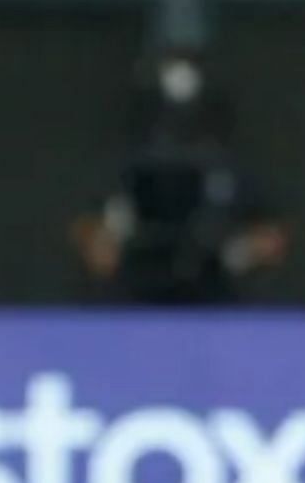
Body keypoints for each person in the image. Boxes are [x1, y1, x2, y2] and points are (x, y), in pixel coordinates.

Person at [71, 50, 289, 304]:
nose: (177, 134)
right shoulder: (125, 173)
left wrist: (238, 252)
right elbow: (87, 231)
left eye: (190, 118)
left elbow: (272, 235)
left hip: (220, 297)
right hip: (135, 295)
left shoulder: (233, 174)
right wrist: (110, 240)